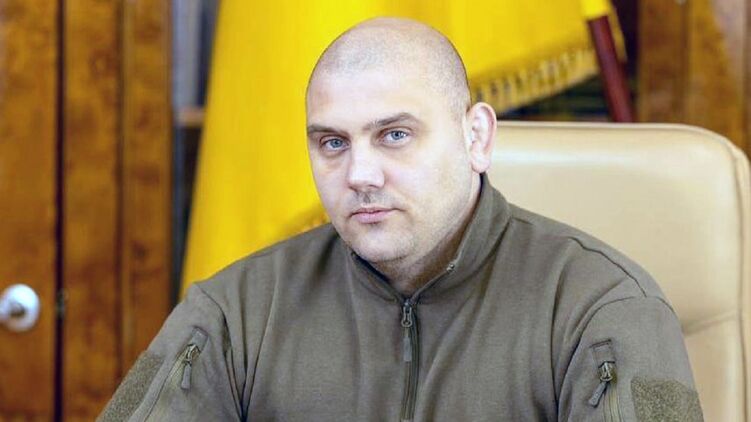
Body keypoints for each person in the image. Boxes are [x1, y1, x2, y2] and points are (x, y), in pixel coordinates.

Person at [99, 17, 702, 421]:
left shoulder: (601, 307)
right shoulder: (238, 309)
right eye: (333, 143)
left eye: (394, 135)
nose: (360, 174)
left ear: (476, 137)